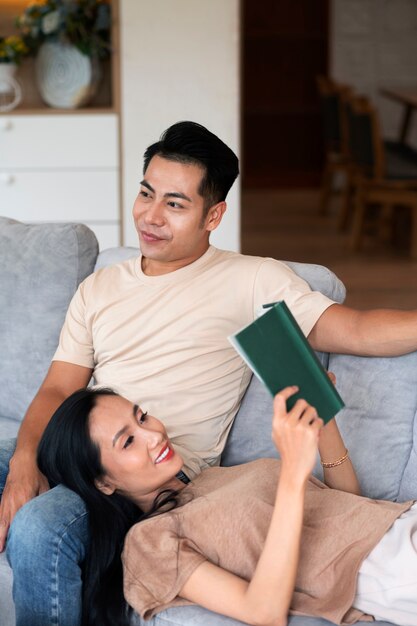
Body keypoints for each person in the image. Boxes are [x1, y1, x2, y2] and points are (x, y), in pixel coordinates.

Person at [2, 120, 417, 625]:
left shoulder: (250, 280)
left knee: (39, 528)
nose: (151, 217)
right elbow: (60, 388)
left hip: (145, 476)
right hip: (88, 438)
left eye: (175, 204)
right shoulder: (99, 288)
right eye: (146, 193)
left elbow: (356, 330)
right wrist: (26, 460)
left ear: (213, 215)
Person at [37, 385, 417, 626]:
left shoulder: (211, 477)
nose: (153, 434)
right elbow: (263, 613)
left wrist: (325, 426)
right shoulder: (148, 543)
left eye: (142, 416)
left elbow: (347, 505)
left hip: (403, 520)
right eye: (128, 441)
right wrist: (293, 475)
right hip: (390, 569)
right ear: (103, 482)